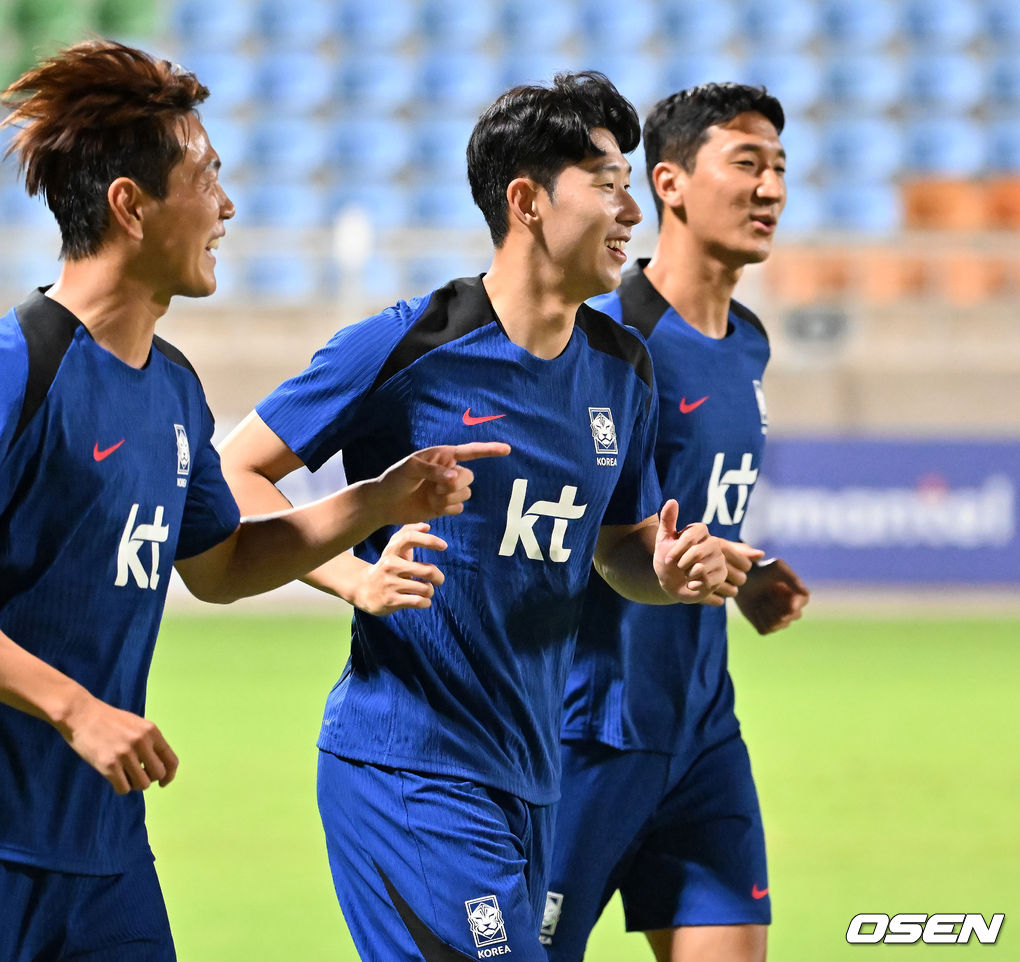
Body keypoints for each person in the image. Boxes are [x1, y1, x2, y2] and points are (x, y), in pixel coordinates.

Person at [0, 40, 506, 962]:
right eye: (207, 178)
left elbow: (222, 567)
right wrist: (77, 709)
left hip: (106, 856)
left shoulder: (175, 389)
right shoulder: (16, 370)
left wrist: (371, 502)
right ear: (130, 204)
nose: (227, 207)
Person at [217, 71, 729, 962]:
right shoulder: (412, 344)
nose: (631, 211)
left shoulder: (623, 368)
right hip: (407, 771)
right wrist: (353, 576)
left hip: (532, 781)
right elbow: (237, 474)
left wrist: (670, 571)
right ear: (527, 201)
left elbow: (615, 551)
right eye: (606, 185)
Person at [541, 83, 811, 962]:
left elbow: (690, 508)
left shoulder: (749, 341)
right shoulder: (606, 336)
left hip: (700, 727)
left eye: (778, 166)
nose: (770, 187)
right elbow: (569, 522)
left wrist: (746, 576)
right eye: (746, 163)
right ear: (670, 182)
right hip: (590, 731)